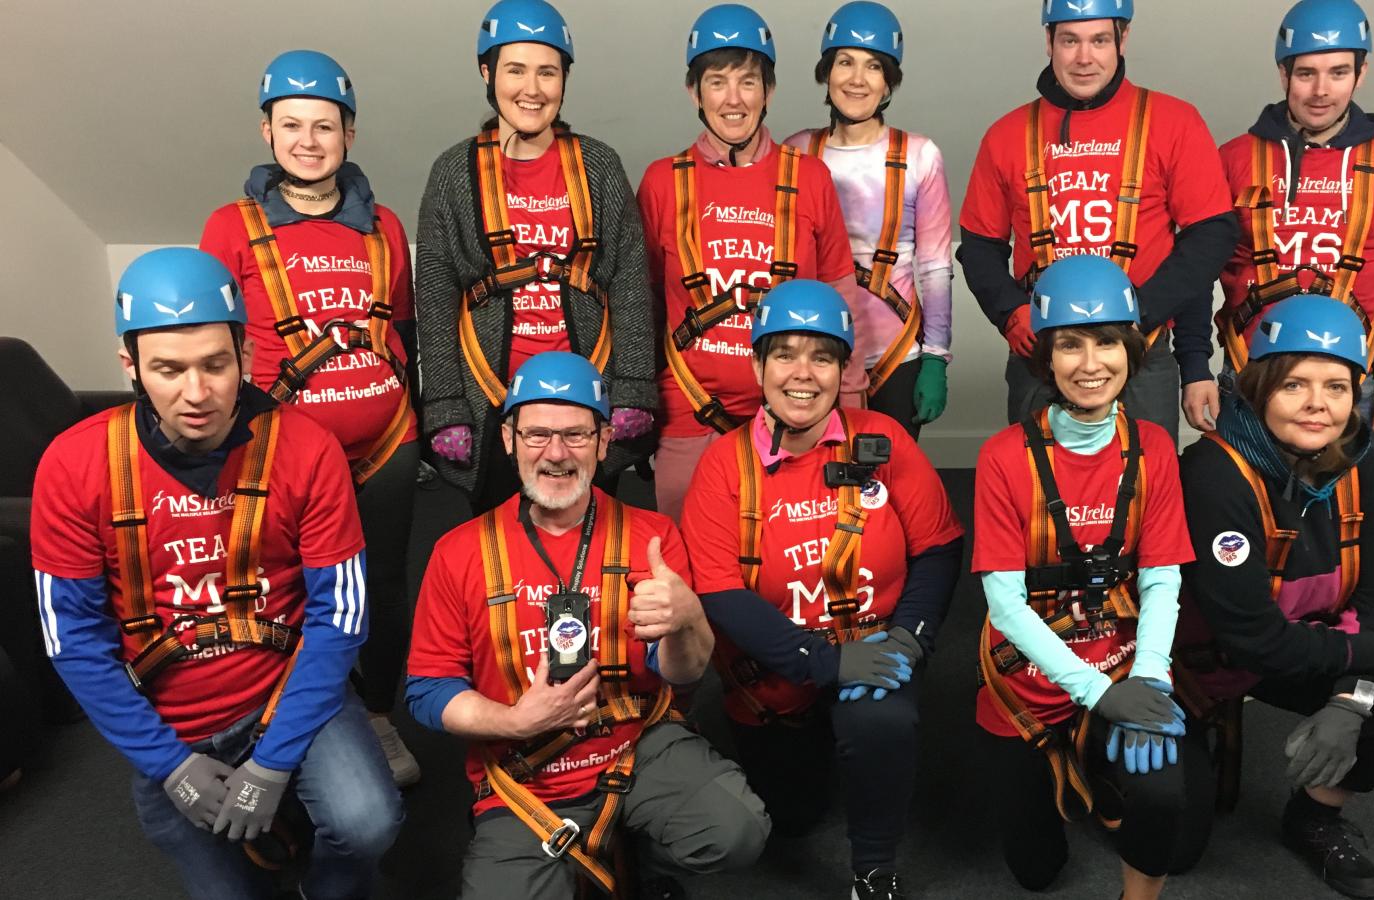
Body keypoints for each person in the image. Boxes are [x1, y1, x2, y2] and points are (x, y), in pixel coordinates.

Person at [30, 248, 402, 898]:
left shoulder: (307, 449)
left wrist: (276, 760)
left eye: (215, 365)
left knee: (368, 821)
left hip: (285, 691)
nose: (196, 393)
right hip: (170, 718)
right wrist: (167, 766)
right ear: (130, 367)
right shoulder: (74, 466)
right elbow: (73, 642)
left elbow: (339, 618)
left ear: (246, 357)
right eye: (168, 370)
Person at [406, 351, 769, 898]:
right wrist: (514, 721)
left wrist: (687, 619)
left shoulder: (652, 538)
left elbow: (684, 675)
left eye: (576, 435)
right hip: (525, 773)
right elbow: (428, 690)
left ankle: (645, 855)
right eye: (537, 435)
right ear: (508, 439)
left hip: (637, 748)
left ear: (603, 442)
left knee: (737, 829)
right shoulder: (458, 552)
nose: (556, 453)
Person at [679, 280, 964, 898]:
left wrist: (911, 641)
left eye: (823, 356)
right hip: (777, 673)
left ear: (844, 367)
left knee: (879, 725)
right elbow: (721, 594)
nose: (802, 374)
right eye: (784, 354)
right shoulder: (724, 466)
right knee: (794, 818)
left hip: (876, 651)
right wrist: (825, 662)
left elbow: (939, 546)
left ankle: (874, 868)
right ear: (758, 365)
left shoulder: (884, 441)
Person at [200, 49, 421, 788]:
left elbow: (404, 332)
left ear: (348, 134)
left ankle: (381, 717)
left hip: (386, 444)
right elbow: (216, 346)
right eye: (291, 124)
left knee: (384, 585)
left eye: (324, 125)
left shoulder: (383, 225)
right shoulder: (231, 228)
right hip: (283, 452)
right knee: (289, 586)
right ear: (266, 132)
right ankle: (296, 722)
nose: (308, 140)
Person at [1173, 294, 1374, 898]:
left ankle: (1314, 815)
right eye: (1295, 384)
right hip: (1203, 665)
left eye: (1337, 387)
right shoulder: (1213, 475)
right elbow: (1252, 637)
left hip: (1307, 645)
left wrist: (1353, 696)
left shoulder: (1367, 468)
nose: (1319, 404)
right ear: (1260, 385)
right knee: (1177, 847)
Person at [972, 256, 1203, 899]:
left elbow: (1160, 578)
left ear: (1131, 352)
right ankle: (1084, 755)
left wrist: (1150, 681)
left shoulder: (1153, 446)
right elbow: (1005, 605)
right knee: (1036, 872)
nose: (1091, 361)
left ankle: (1104, 773)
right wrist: (1097, 695)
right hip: (1028, 680)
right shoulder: (1002, 456)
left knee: (1175, 838)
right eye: (1070, 344)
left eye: (1107, 341)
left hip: (1126, 659)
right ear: (1047, 359)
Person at [416, 0, 657, 514]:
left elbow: (631, 281)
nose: (532, 88)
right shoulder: (453, 173)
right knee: (497, 555)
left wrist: (634, 387)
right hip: (491, 402)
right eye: (515, 70)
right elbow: (435, 295)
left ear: (564, 80)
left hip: (588, 398)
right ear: (487, 73)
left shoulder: (600, 165)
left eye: (547, 72)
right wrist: (443, 406)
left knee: (594, 546)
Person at [958, 0, 1237, 438]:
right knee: (1038, 488)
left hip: (1142, 350)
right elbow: (978, 246)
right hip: (1042, 351)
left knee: (1146, 489)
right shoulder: (1006, 135)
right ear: (1048, 41)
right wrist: (1010, 313)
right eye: (1070, 40)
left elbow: (1209, 237)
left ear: (1122, 40)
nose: (1084, 57)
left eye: (1099, 40)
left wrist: (1142, 315)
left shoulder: (1174, 122)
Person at [1177, 0, 1374, 446]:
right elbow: (1195, 273)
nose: (1321, 90)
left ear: (1361, 72)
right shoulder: (1233, 159)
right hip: (1247, 373)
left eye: (1338, 72)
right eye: (1305, 74)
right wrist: (1194, 366)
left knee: (1341, 507)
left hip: (1347, 380)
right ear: (1283, 74)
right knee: (1236, 501)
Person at [637, 3, 857, 520]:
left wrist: (849, 397)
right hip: (690, 409)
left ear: (769, 91)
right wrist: (641, 404)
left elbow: (839, 291)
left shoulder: (809, 178)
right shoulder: (662, 182)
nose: (733, 99)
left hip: (796, 407)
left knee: (789, 559)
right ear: (695, 91)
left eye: (748, 82)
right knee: (685, 560)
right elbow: (641, 304)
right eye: (717, 82)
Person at [784, 1, 954, 438]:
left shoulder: (919, 155)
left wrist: (935, 356)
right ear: (827, 72)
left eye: (873, 66)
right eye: (845, 62)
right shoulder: (797, 152)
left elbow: (935, 265)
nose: (857, 79)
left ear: (888, 81)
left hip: (897, 356)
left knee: (892, 488)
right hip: (816, 352)